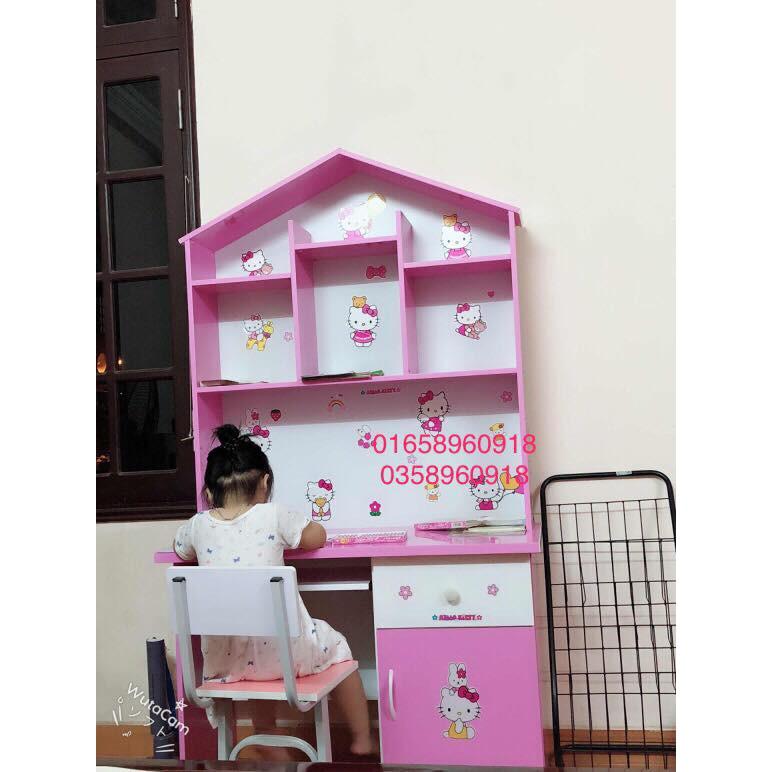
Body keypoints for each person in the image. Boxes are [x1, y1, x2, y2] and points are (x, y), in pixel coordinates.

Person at [174, 425, 372, 756]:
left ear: (208, 494)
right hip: (281, 659)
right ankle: (362, 738)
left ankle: (267, 738)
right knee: (338, 645)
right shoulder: (275, 515)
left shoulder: (197, 525)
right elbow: (317, 537)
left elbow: (179, 550)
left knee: (252, 649)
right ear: (265, 483)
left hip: (226, 665)